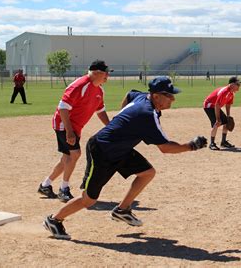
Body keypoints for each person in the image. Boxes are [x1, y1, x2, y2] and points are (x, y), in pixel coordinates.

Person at [43, 76, 207, 239]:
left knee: (147, 172)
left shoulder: (143, 97)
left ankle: (122, 209)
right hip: (101, 150)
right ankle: (54, 220)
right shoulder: (146, 115)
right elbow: (165, 148)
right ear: (156, 96)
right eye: (169, 95)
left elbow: (130, 94)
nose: (173, 98)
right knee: (89, 199)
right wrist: (191, 146)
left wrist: (121, 120)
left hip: (120, 149)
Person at [38, 60, 112, 203]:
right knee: (75, 154)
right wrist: (69, 132)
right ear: (96, 73)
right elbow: (63, 107)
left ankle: (45, 185)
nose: (107, 76)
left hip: (75, 127)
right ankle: (63, 189)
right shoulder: (80, 85)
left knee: (67, 159)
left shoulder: (99, 90)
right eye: (105, 73)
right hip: (63, 124)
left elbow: (100, 111)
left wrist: (111, 127)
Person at [203, 76, 241, 150]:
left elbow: (228, 105)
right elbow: (217, 105)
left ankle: (223, 142)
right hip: (209, 106)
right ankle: (212, 144)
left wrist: (228, 116)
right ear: (232, 84)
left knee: (226, 121)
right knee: (217, 123)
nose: (239, 86)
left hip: (215, 106)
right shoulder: (224, 91)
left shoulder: (231, 94)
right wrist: (218, 119)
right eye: (237, 84)